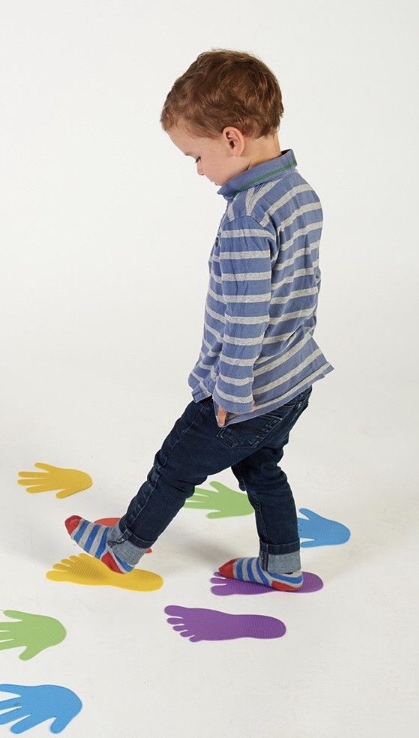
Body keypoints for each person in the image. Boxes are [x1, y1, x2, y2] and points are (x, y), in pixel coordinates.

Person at [65, 50, 333, 591]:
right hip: (294, 380)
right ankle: (282, 564)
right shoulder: (300, 193)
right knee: (262, 471)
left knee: (175, 465)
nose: (199, 170)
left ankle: (123, 547)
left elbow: (247, 315)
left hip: (245, 391)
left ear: (232, 140)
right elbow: (302, 289)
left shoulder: (247, 215)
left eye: (195, 155)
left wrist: (228, 390)